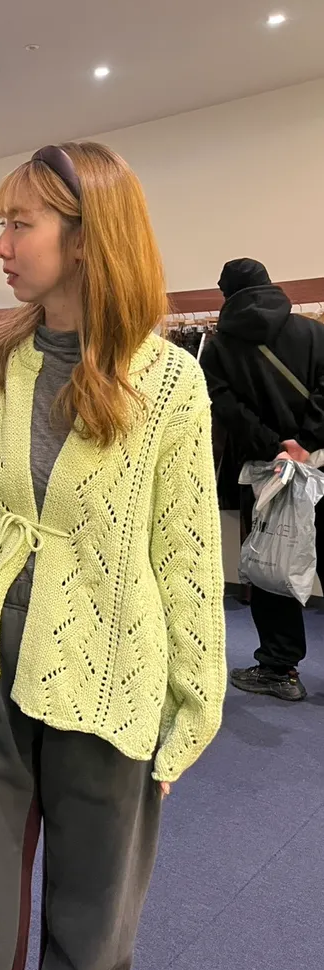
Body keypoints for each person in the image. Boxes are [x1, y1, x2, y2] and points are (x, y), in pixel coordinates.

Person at [0, 142, 226, 970]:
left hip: (111, 673)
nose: (1, 246)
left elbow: (187, 556)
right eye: (2, 225)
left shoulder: (169, 384)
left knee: (92, 935)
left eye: (20, 224)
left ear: (88, 236)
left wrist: (189, 712)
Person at [201, 258, 324, 701]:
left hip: (265, 473)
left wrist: (275, 445)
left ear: (226, 294)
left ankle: (279, 669)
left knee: (271, 565)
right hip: (319, 465)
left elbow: (228, 409)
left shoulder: (218, 349)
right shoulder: (313, 332)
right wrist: (306, 441)